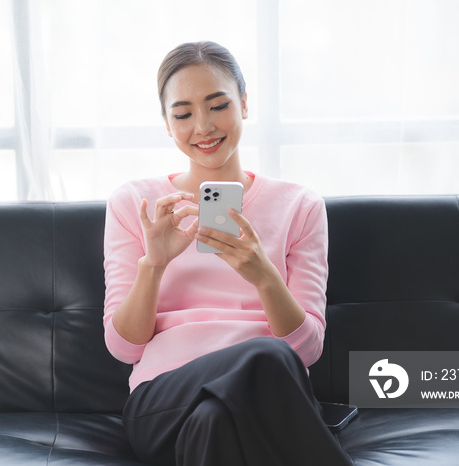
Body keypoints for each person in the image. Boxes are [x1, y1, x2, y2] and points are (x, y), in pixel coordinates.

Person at [103, 41, 352, 466]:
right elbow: (123, 347)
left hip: (258, 402)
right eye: (182, 114)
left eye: (217, 106)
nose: (202, 126)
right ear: (167, 123)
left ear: (244, 104)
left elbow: (307, 350)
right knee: (270, 353)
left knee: (216, 420)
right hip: (163, 402)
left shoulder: (300, 206)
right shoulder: (136, 204)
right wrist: (154, 264)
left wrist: (263, 276)